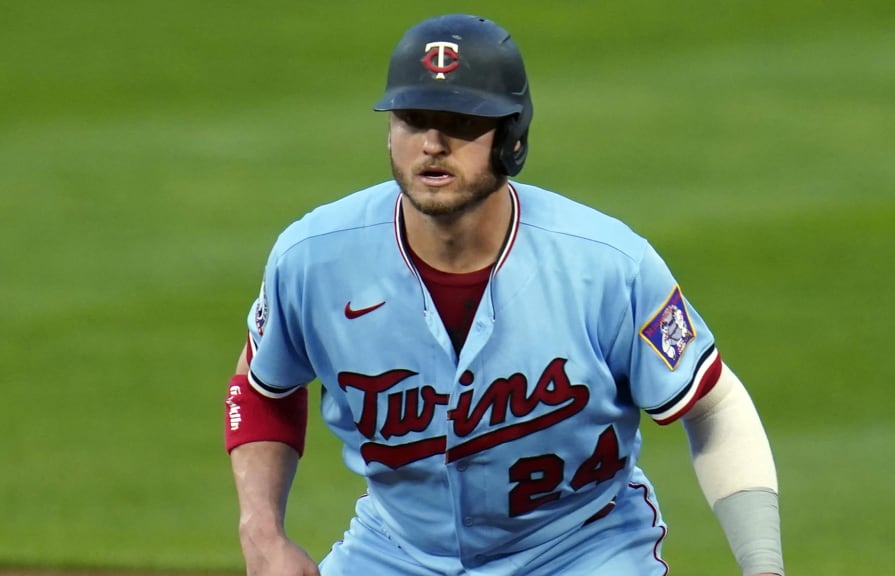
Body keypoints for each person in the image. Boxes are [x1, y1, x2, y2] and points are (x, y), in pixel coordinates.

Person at [225, 13, 784, 576]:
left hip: (582, 550)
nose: (433, 144)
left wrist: (763, 567)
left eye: (460, 121)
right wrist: (262, 534)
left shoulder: (608, 266)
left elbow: (713, 403)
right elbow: (261, 386)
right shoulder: (313, 257)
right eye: (413, 119)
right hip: (397, 552)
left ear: (512, 137)